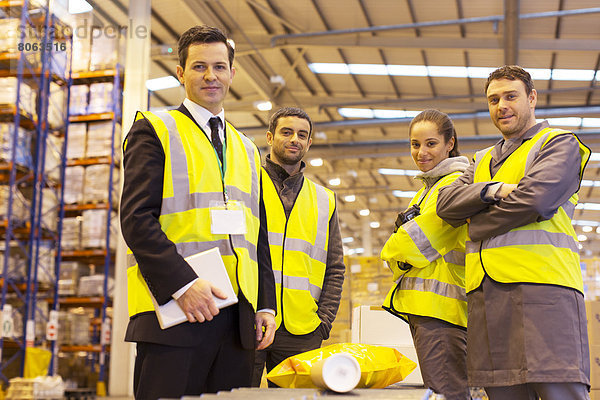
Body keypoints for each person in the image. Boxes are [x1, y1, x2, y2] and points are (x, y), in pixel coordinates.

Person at [120, 25, 276, 399]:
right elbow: (136, 220)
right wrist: (184, 285)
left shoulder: (246, 147)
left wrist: (265, 306)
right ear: (181, 73)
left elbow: (259, 238)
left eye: (219, 67)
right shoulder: (156, 130)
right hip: (175, 315)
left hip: (237, 323)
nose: (211, 76)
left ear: (232, 74)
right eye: (199, 67)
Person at [436, 65, 591, 400]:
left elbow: (536, 201)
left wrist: (475, 225)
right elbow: (445, 205)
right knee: (503, 391)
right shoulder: (480, 161)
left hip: (544, 292)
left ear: (531, 98)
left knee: (557, 389)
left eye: (510, 96)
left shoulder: (558, 144)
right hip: (487, 298)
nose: (501, 105)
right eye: (493, 99)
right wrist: (492, 191)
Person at [251, 107, 345, 387]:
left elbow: (335, 267)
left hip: (302, 329)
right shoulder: (248, 185)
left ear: (309, 143)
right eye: (287, 132)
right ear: (270, 136)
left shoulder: (323, 199)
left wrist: (323, 322)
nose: (295, 139)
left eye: (302, 135)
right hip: (249, 320)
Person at [380, 109, 470, 399]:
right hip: (426, 310)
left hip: (441, 311)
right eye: (415, 144)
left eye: (431, 143)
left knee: (446, 392)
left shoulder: (452, 186)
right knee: (439, 389)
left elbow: (411, 244)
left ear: (450, 143)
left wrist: (390, 250)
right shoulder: (427, 188)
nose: (421, 152)